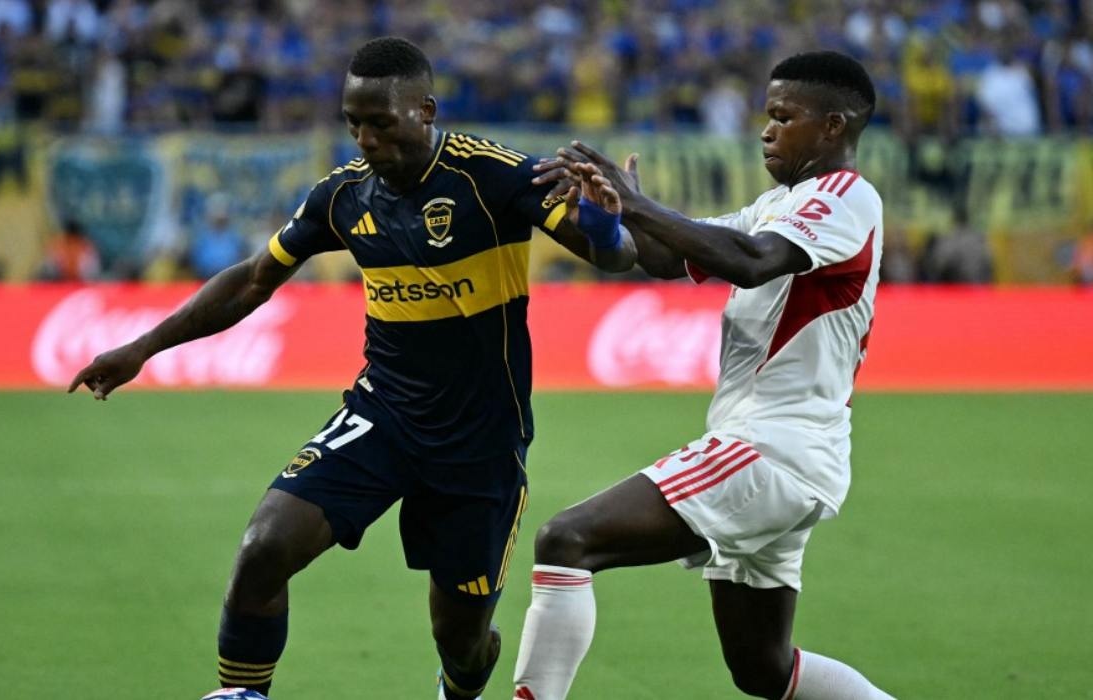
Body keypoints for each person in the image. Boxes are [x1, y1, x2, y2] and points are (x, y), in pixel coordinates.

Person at [67, 36, 635, 700]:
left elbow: (615, 257)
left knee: (461, 641)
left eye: (380, 122)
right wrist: (143, 347)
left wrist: (601, 224)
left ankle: (464, 677)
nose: (364, 138)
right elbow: (254, 280)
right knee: (262, 550)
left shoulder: (493, 177)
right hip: (383, 417)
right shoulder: (342, 197)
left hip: (479, 443)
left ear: (425, 110)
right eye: (352, 123)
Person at [513, 51, 895, 699]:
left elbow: (749, 261)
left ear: (833, 127)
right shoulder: (783, 202)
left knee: (567, 540)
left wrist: (640, 204)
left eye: (784, 116)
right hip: (795, 456)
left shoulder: (844, 197)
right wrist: (617, 208)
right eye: (766, 116)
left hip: (771, 449)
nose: (767, 130)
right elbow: (670, 255)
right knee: (763, 669)